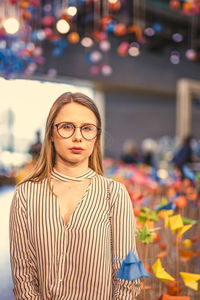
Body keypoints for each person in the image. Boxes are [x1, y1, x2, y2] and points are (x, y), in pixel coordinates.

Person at [9, 92, 140, 299]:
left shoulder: (114, 194)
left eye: (87, 128)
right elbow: (23, 274)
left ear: (96, 136)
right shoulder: (26, 193)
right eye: (67, 127)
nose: (78, 136)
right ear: (51, 133)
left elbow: (126, 275)